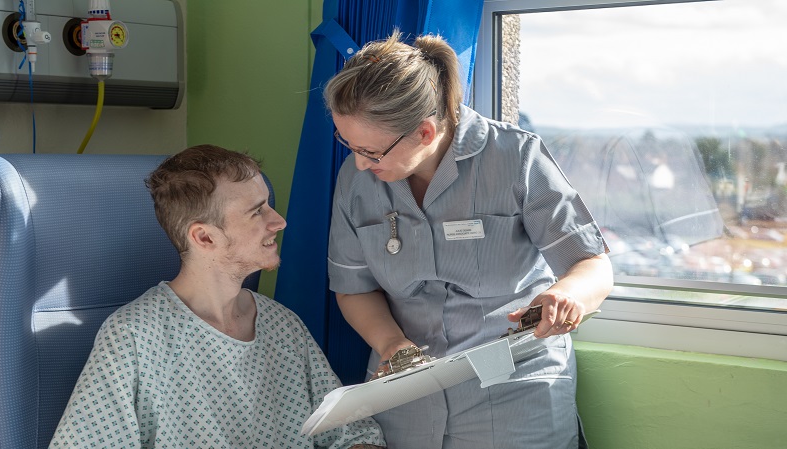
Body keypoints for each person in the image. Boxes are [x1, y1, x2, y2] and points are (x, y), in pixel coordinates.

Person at [324, 30, 613, 449]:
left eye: (372, 152)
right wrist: (392, 345)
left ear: (424, 132)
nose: (359, 163)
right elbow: (354, 289)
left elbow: (592, 266)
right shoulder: (356, 180)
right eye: (348, 144)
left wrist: (566, 296)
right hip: (407, 391)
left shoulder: (515, 158)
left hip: (515, 389)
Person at [49, 145, 385, 449]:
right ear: (205, 237)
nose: (279, 222)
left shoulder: (283, 326)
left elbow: (354, 434)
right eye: (257, 211)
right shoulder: (133, 338)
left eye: (269, 204)